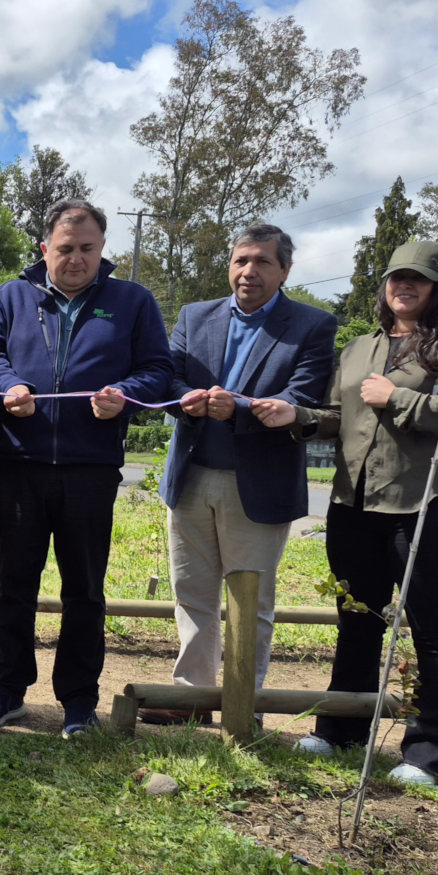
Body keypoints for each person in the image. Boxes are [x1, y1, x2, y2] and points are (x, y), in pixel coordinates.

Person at [254, 241, 438, 785]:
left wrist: (400, 398)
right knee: (357, 622)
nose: (403, 286)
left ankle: (433, 755)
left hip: (429, 504)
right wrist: (299, 417)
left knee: (433, 630)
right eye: (395, 277)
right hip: (354, 504)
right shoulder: (360, 348)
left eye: (418, 279)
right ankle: (341, 729)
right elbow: (339, 415)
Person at [0, 198, 173, 738]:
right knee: (14, 583)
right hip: (20, 465)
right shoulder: (10, 296)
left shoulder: (132, 301)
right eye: (65, 248)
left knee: (84, 589)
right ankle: (7, 689)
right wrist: (7, 384)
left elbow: (157, 369)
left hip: (91, 470)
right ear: (44, 248)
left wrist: (124, 395)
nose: (76, 258)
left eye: (87, 248)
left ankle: (79, 701)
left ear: (102, 249)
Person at [147, 224, 337, 727]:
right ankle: (192, 695)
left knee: (250, 603)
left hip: (258, 483)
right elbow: (169, 375)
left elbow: (303, 395)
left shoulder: (313, 325)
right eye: (241, 260)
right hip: (191, 475)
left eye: (263, 262)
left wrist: (241, 409)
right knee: (192, 593)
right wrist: (184, 398)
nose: (249, 271)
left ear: (285, 271)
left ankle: (242, 703)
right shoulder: (195, 315)